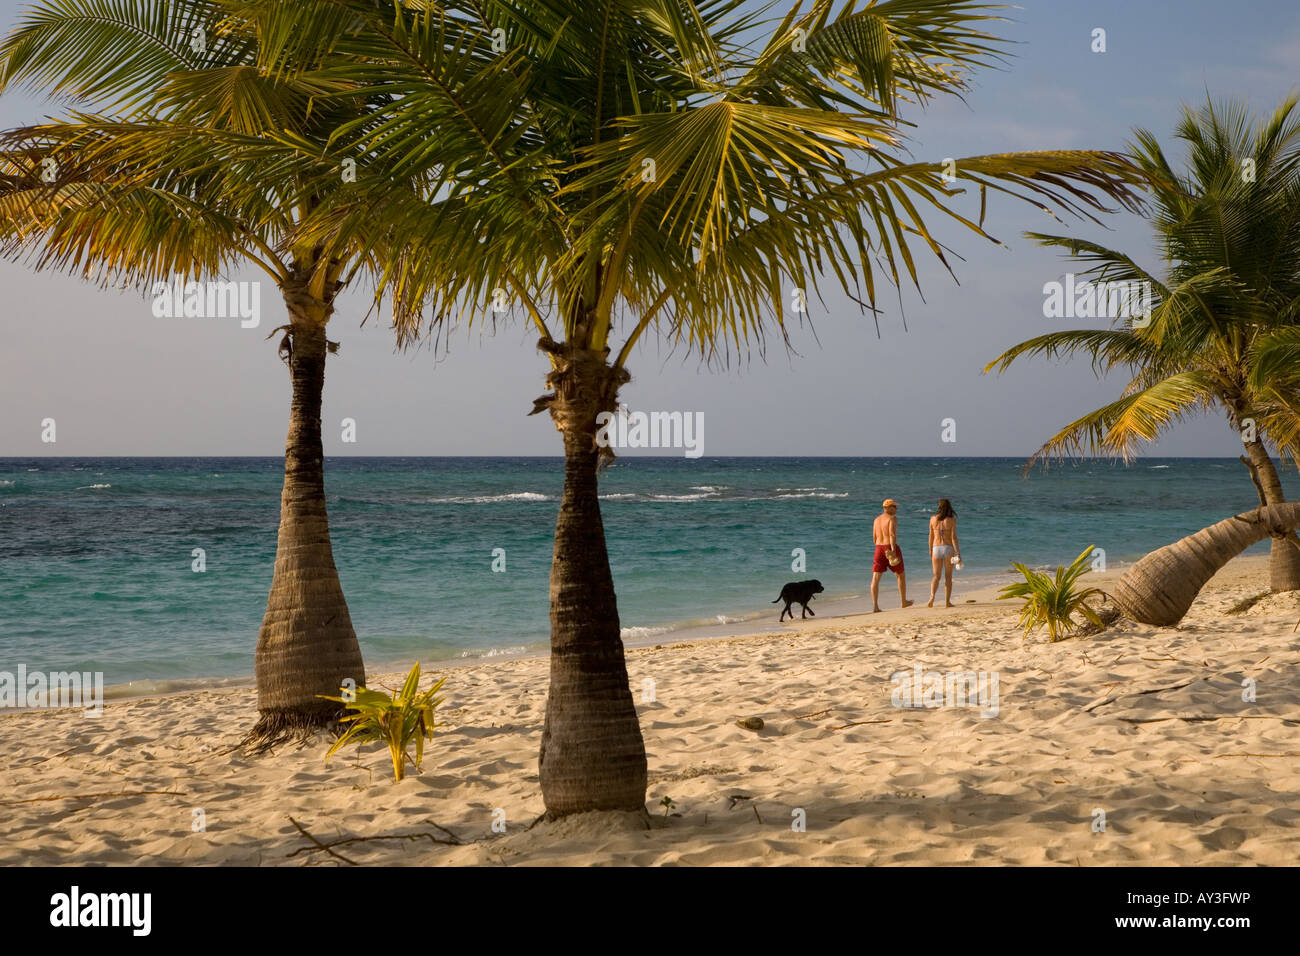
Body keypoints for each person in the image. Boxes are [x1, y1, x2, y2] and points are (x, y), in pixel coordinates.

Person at [872, 498, 913, 611]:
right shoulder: (892, 519)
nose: (896, 509)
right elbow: (892, 535)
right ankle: (903, 602)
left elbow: (874, 538)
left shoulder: (876, 520)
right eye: (894, 507)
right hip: (890, 547)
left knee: (875, 578)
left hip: (878, 548)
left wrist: (881, 548)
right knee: (900, 575)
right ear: (887, 508)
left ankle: (875, 606)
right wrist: (893, 550)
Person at [927, 498, 962, 608]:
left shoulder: (932, 519)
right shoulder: (951, 520)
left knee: (936, 576)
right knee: (948, 577)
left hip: (936, 548)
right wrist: (958, 553)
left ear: (939, 507)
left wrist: (930, 550)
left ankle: (932, 597)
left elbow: (931, 536)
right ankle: (947, 602)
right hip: (948, 548)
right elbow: (954, 538)